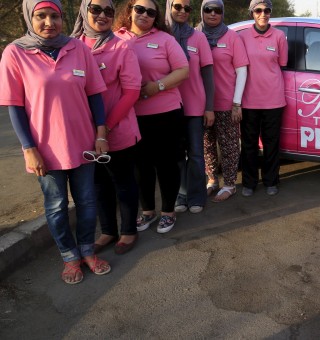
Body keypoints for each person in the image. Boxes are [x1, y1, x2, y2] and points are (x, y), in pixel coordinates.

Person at [0, 0, 111, 284]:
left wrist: (100, 134)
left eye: (54, 16)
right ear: (29, 17)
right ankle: (69, 257)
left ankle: (87, 250)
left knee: (86, 202)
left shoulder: (79, 49)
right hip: (45, 150)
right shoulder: (15, 53)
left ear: (63, 18)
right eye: (41, 16)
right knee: (56, 205)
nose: (49, 22)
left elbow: (95, 95)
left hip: (84, 145)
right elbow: (15, 106)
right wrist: (28, 149)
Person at [72, 0, 142, 255]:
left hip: (118, 128)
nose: (102, 15)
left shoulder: (122, 47)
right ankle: (108, 230)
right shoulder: (73, 45)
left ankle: (128, 231)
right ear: (84, 11)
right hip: (84, 132)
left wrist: (106, 127)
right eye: (95, 9)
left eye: (108, 11)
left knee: (123, 182)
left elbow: (132, 92)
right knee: (99, 183)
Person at [114, 0, 189, 233]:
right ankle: (147, 211)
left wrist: (157, 86)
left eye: (150, 12)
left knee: (166, 164)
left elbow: (183, 70)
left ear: (156, 17)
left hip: (165, 113)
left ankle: (168, 211)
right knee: (140, 166)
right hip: (132, 115)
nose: (144, 15)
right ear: (130, 11)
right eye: (139, 9)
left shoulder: (165, 40)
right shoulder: (117, 38)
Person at [165, 0, 214, 214]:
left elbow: (208, 75)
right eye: (178, 6)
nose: (183, 11)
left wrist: (209, 107)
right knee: (175, 155)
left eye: (187, 8)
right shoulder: (162, 36)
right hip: (170, 107)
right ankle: (181, 194)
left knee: (195, 154)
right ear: (169, 7)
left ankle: (196, 195)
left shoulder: (198, 37)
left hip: (194, 106)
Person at [198, 0, 249, 202]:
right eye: (208, 10)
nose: (212, 14)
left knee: (228, 145)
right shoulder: (195, 35)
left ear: (223, 13)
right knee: (206, 145)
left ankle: (229, 184)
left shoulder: (231, 37)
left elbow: (242, 70)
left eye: (217, 10)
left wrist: (237, 103)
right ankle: (212, 180)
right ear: (202, 12)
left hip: (226, 102)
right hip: (201, 103)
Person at [238, 0, 287, 197]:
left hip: (274, 100)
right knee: (249, 144)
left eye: (267, 10)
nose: (263, 14)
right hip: (249, 100)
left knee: (271, 143)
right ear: (252, 13)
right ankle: (249, 183)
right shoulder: (241, 37)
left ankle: (271, 180)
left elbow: (282, 62)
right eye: (258, 10)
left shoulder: (279, 36)